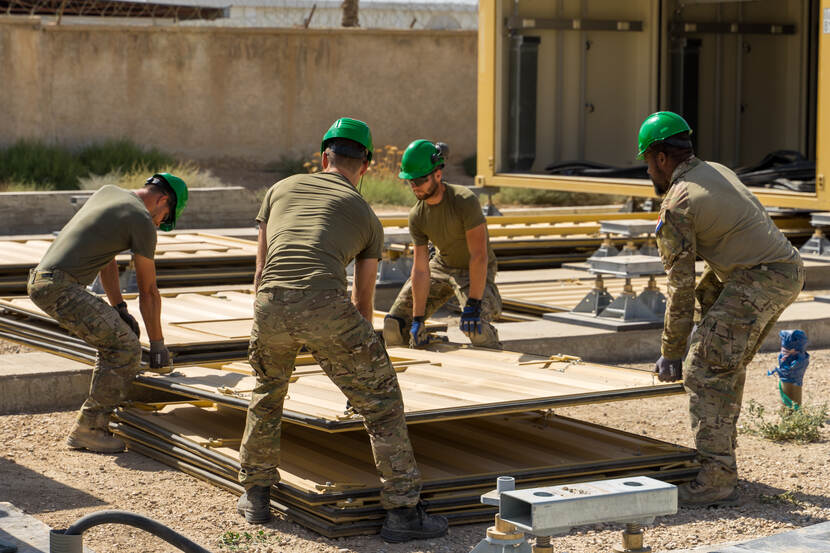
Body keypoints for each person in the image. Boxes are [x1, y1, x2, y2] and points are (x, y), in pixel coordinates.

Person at [236, 118, 448, 542]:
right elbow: (361, 302)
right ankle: (403, 514)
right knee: (382, 404)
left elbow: (260, 270)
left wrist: (270, 316)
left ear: (322, 158)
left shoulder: (279, 190)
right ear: (366, 166)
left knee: (267, 391)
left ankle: (256, 494)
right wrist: (361, 371)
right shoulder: (368, 218)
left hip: (269, 303)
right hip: (326, 305)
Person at [640, 111, 804, 506]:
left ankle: (716, 478)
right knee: (722, 361)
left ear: (662, 158)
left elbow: (678, 288)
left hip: (760, 277)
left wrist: (671, 351)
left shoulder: (677, 203)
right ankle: (721, 465)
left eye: (647, 160)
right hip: (783, 269)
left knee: (704, 368)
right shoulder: (714, 170)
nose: (648, 169)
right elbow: (712, 273)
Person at [28, 173, 188, 453]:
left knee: (116, 340)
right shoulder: (141, 220)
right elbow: (148, 291)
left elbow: (107, 259)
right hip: (62, 287)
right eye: (164, 217)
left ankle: (93, 422)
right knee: (125, 349)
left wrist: (118, 308)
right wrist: (158, 347)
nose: (159, 223)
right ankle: (89, 429)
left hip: (43, 280)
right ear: (163, 200)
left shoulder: (108, 193)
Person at [382, 139, 502, 349]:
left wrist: (473, 304)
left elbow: (479, 256)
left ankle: (498, 363)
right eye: (410, 181)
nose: (415, 187)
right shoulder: (417, 215)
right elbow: (420, 269)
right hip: (441, 265)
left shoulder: (464, 201)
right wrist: (418, 319)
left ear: (437, 175)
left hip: (472, 269)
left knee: (476, 329)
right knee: (394, 326)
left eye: (420, 181)